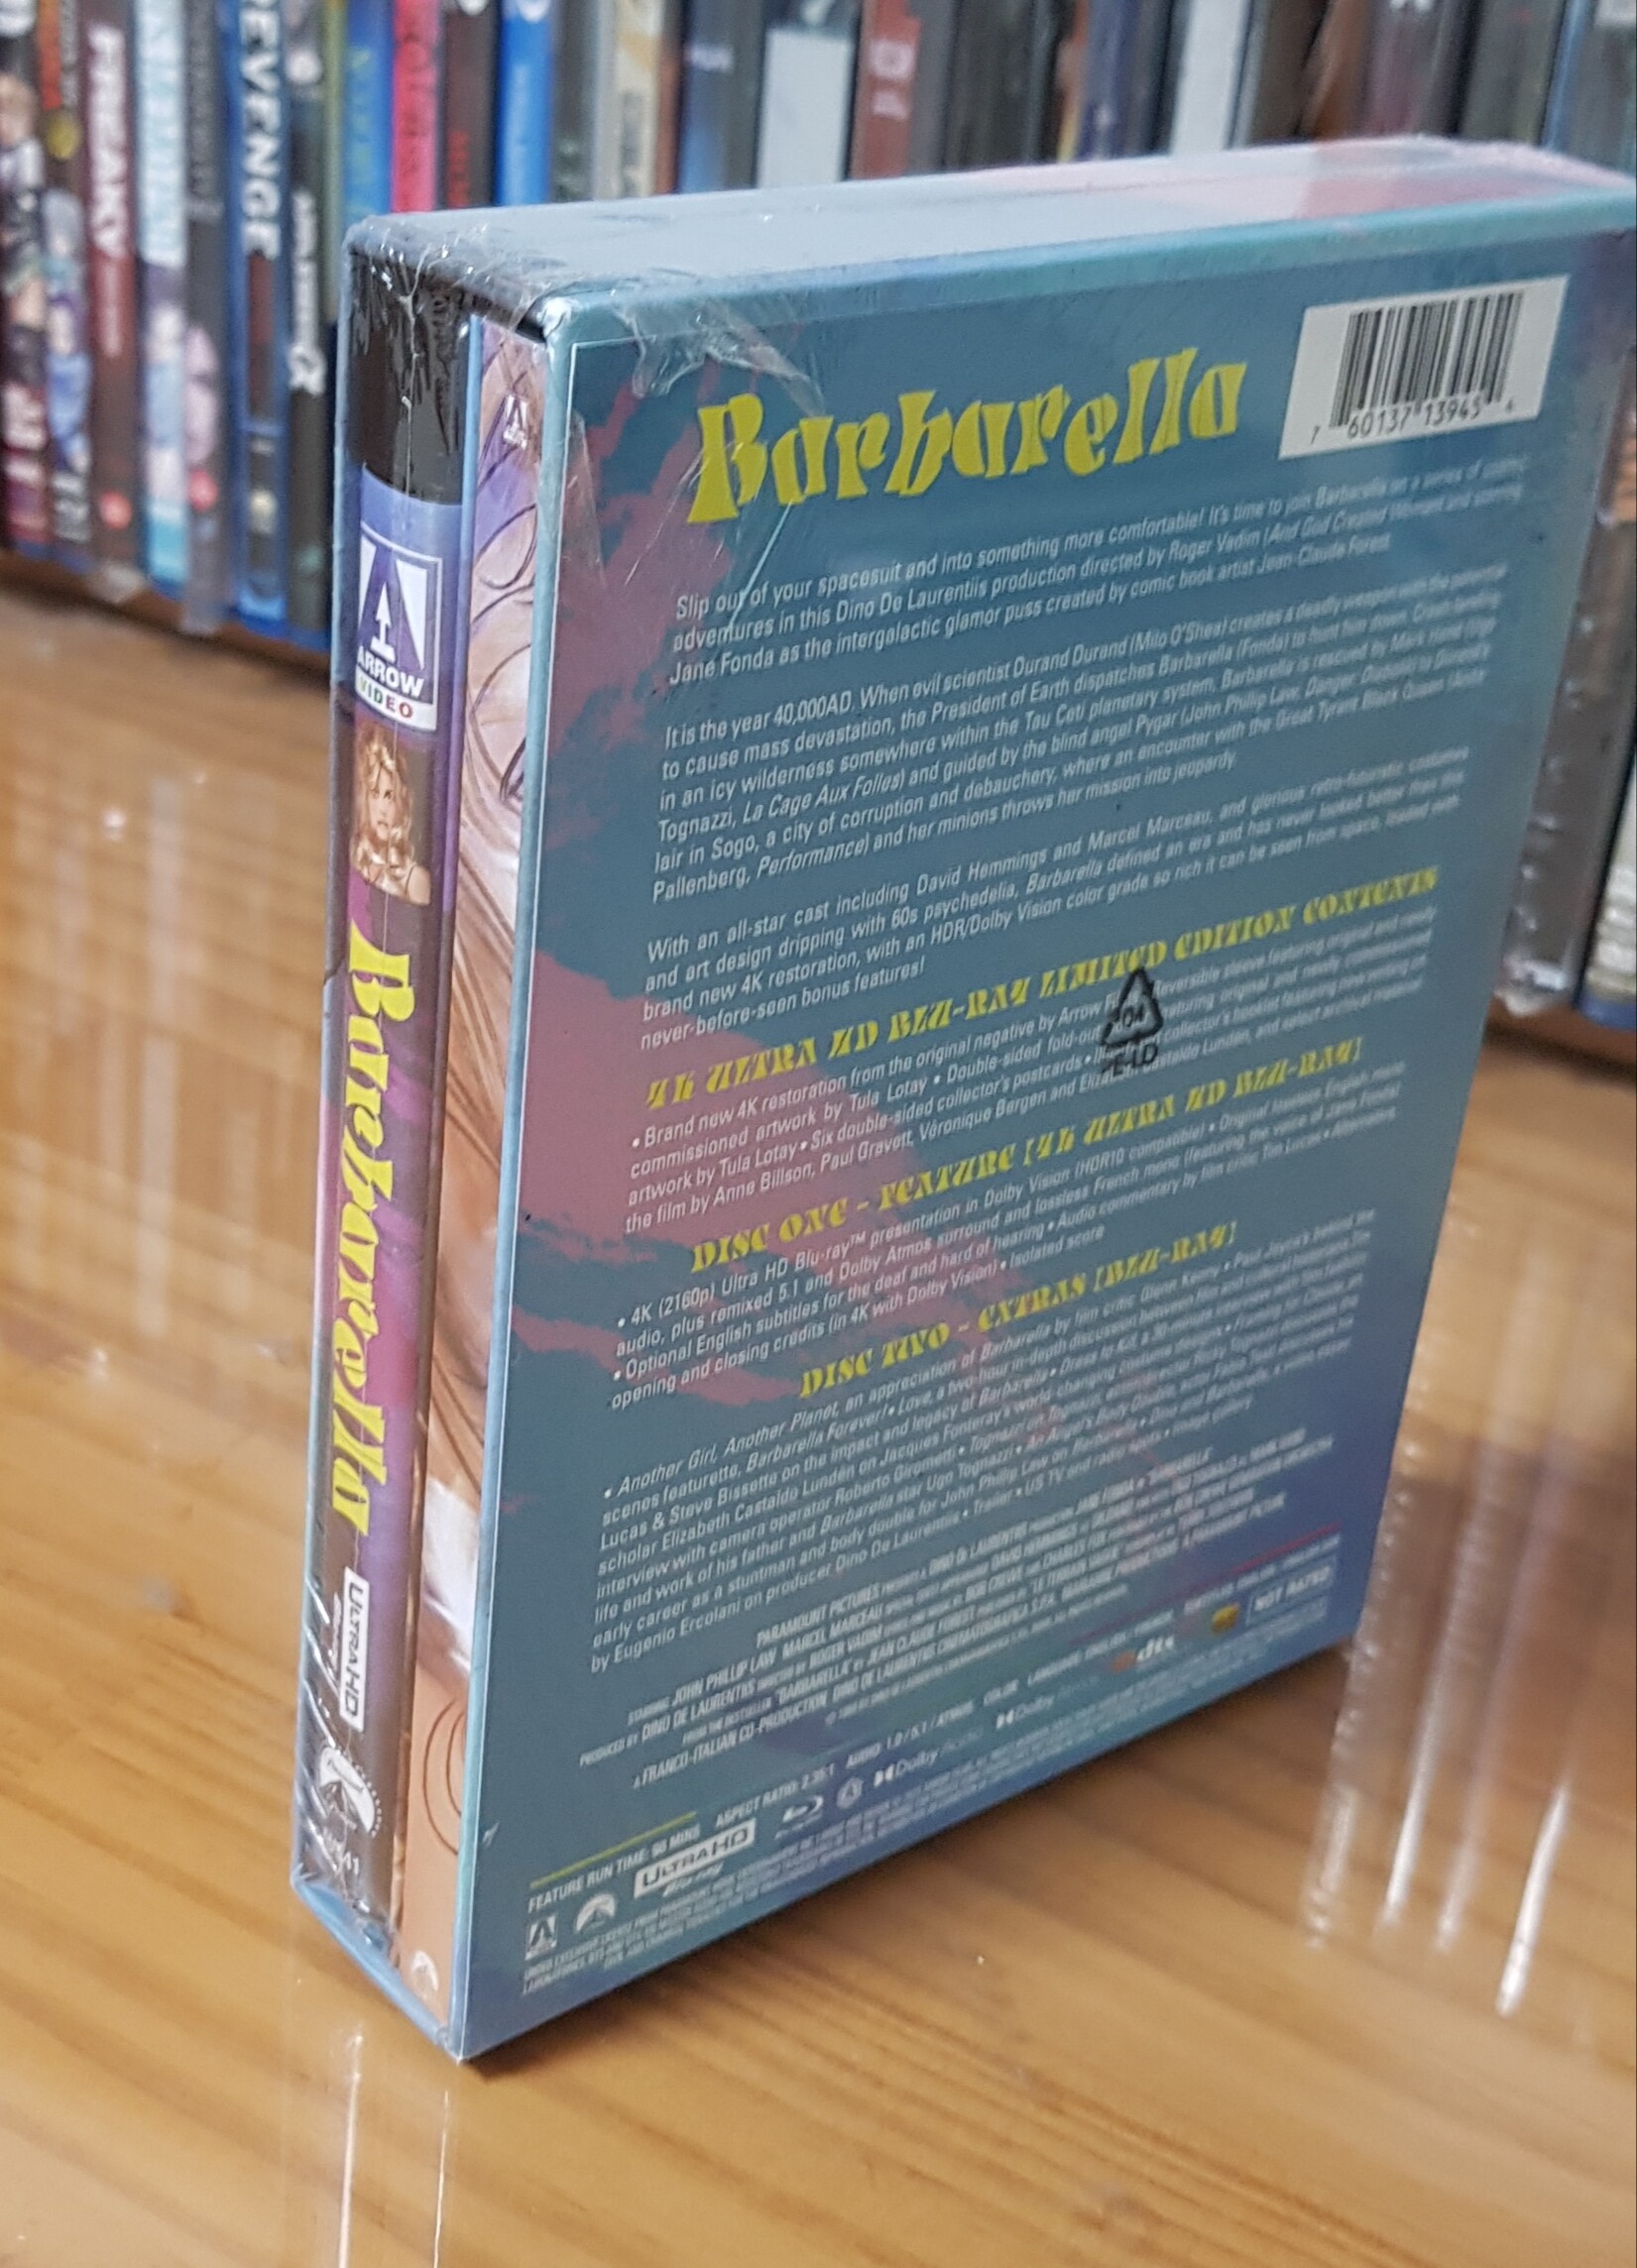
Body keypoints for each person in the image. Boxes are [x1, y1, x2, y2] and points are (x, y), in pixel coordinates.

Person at [350, 724, 432, 904]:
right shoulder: (355, 860)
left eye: (389, 796)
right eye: (374, 794)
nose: (382, 808)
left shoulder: (415, 879)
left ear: (401, 801)